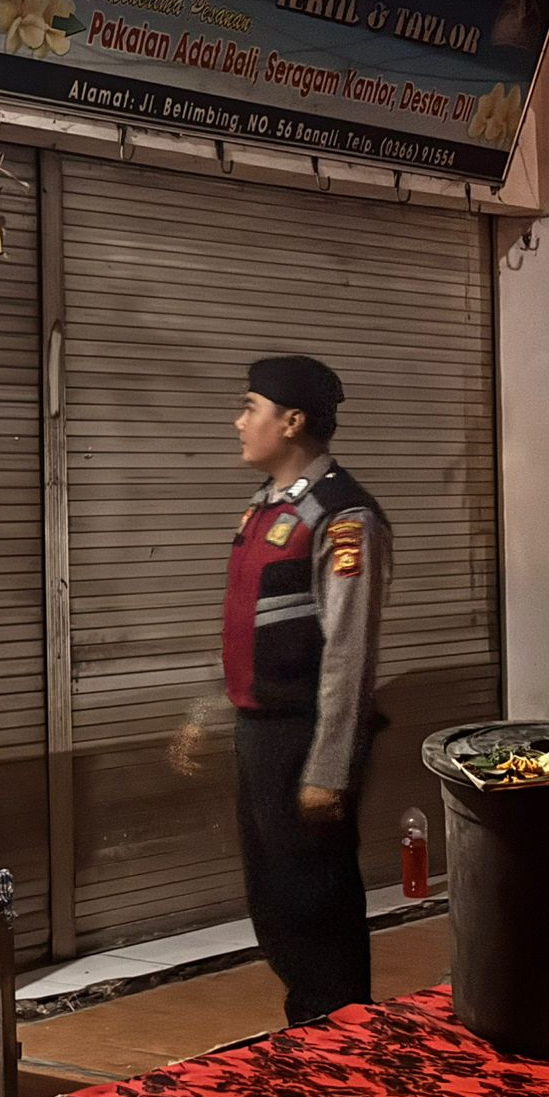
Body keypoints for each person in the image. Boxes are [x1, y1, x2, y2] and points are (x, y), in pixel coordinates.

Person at [222, 355, 391, 1026]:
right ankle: (311, 1033)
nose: (239, 422)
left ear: (291, 421)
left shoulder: (342, 516)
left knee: (315, 902)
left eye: (250, 408)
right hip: (261, 734)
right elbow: (252, 627)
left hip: (306, 737)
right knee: (276, 902)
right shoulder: (267, 509)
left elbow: (350, 652)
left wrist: (329, 767)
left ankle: (342, 1035)